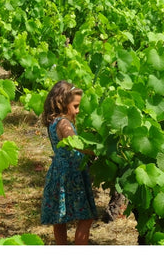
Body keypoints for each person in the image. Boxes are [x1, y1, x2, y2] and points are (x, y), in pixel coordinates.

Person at [40, 80, 98, 245]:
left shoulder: (53, 122)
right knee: (86, 217)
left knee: (60, 218)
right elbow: (76, 144)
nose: (78, 110)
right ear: (63, 104)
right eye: (75, 106)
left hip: (58, 172)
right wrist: (98, 149)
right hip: (72, 174)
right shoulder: (64, 123)